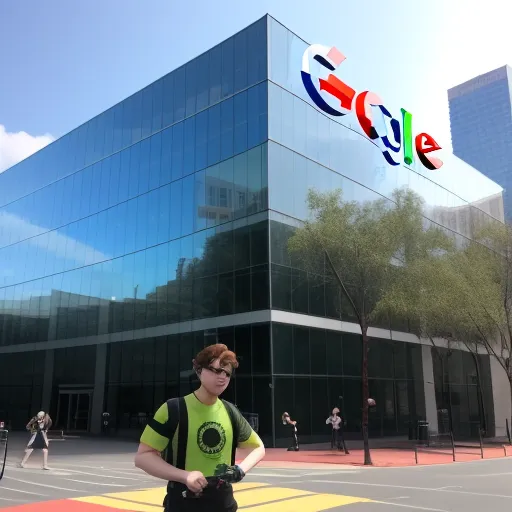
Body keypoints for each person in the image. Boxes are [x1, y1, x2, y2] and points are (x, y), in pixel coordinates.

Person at [135, 343, 265, 512]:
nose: (222, 377)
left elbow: (258, 447)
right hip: (183, 503)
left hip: (223, 503)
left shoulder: (230, 411)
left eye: (227, 373)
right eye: (216, 370)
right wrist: (185, 476)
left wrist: (239, 470)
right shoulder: (173, 409)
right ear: (198, 370)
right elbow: (143, 457)